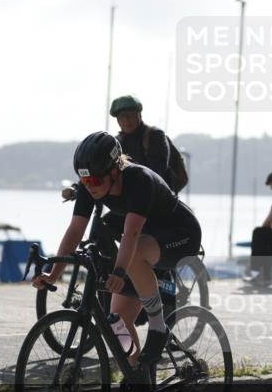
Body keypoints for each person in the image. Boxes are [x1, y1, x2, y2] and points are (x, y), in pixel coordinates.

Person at [32, 131, 202, 369]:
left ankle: (157, 327)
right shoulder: (90, 185)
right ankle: (138, 376)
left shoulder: (139, 180)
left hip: (181, 236)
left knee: (133, 253)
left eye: (95, 181)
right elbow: (75, 231)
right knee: (116, 323)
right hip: (146, 240)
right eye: (85, 181)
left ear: (114, 171)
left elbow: (131, 235)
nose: (90, 187)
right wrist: (54, 274)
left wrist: (119, 272)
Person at [110, 95, 179, 191]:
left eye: (130, 115)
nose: (126, 120)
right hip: (132, 200)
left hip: (160, 197)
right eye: (122, 116)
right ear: (118, 120)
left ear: (139, 115)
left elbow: (157, 171)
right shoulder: (117, 143)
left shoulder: (155, 135)